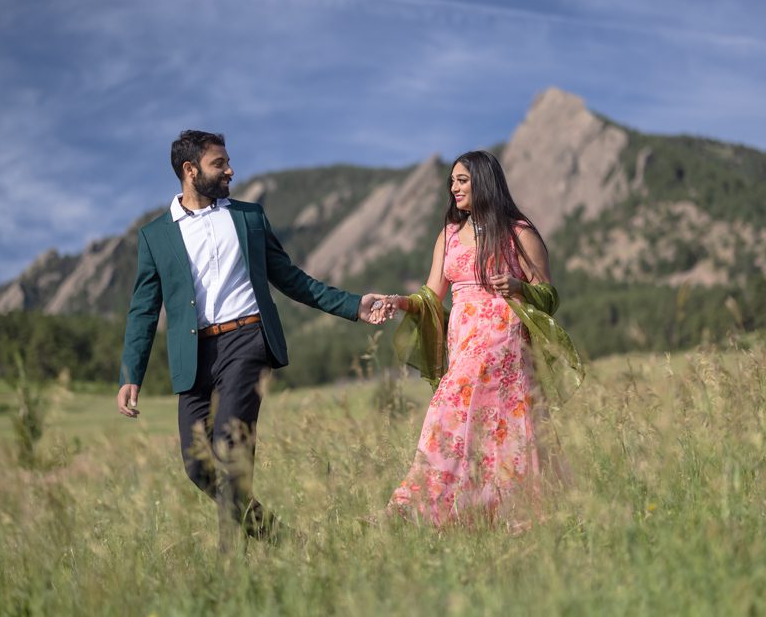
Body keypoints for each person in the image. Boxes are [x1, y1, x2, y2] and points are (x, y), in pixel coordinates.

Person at [116, 130, 387, 543]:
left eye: (227, 161)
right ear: (190, 171)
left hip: (247, 340)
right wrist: (130, 372)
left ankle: (233, 569)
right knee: (197, 466)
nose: (230, 170)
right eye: (219, 163)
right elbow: (143, 309)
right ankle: (281, 539)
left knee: (230, 450)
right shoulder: (156, 236)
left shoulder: (249, 217)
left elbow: (291, 278)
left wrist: (352, 305)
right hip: (194, 356)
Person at [381, 150, 581, 528]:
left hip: (504, 343)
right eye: (452, 181)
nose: (453, 188)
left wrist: (521, 286)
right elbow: (431, 295)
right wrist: (398, 302)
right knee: (455, 419)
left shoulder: (518, 232)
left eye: (462, 180)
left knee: (497, 422)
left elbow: (550, 295)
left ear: (484, 182)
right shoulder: (449, 235)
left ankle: (515, 513)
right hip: (464, 343)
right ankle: (439, 511)